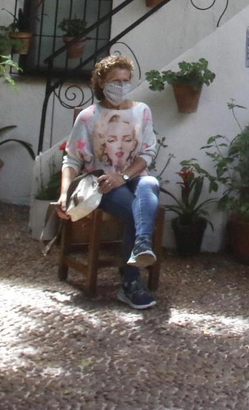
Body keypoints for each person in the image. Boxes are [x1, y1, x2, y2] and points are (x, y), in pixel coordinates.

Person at [57, 53, 161, 310]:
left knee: (150, 185)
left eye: (126, 80)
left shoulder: (142, 111)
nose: (122, 85)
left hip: (133, 178)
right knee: (136, 210)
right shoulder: (88, 117)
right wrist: (64, 193)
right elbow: (71, 159)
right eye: (115, 80)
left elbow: (147, 152)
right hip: (102, 184)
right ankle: (131, 280)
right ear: (101, 82)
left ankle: (141, 248)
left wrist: (123, 176)